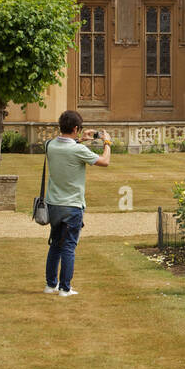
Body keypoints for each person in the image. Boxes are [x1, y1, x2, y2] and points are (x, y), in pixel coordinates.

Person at [43, 110, 111, 296]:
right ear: (75, 128)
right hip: (72, 205)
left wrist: (80, 139)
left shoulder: (50, 145)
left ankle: (51, 285)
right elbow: (105, 161)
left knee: (55, 244)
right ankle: (65, 288)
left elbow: (66, 147)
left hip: (53, 204)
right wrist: (107, 142)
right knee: (69, 247)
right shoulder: (77, 150)